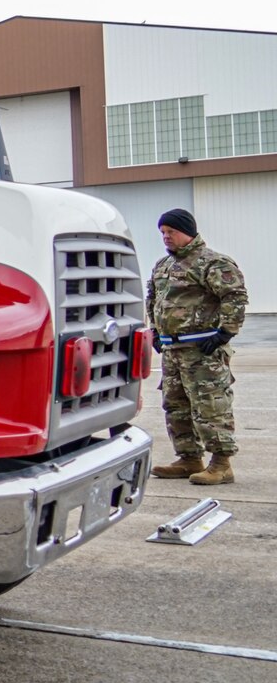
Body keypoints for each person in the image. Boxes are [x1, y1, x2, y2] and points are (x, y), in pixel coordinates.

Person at [147, 208, 246, 485]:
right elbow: (153, 300)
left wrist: (224, 333)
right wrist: (155, 332)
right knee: (176, 405)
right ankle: (189, 458)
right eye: (163, 233)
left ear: (187, 231)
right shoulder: (162, 266)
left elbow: (234, 296)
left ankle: (221, 464)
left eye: (171, 232)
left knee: (210, 406)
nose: (166, 237)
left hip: (203, 350)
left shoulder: (212, 263)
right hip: (172, 351)